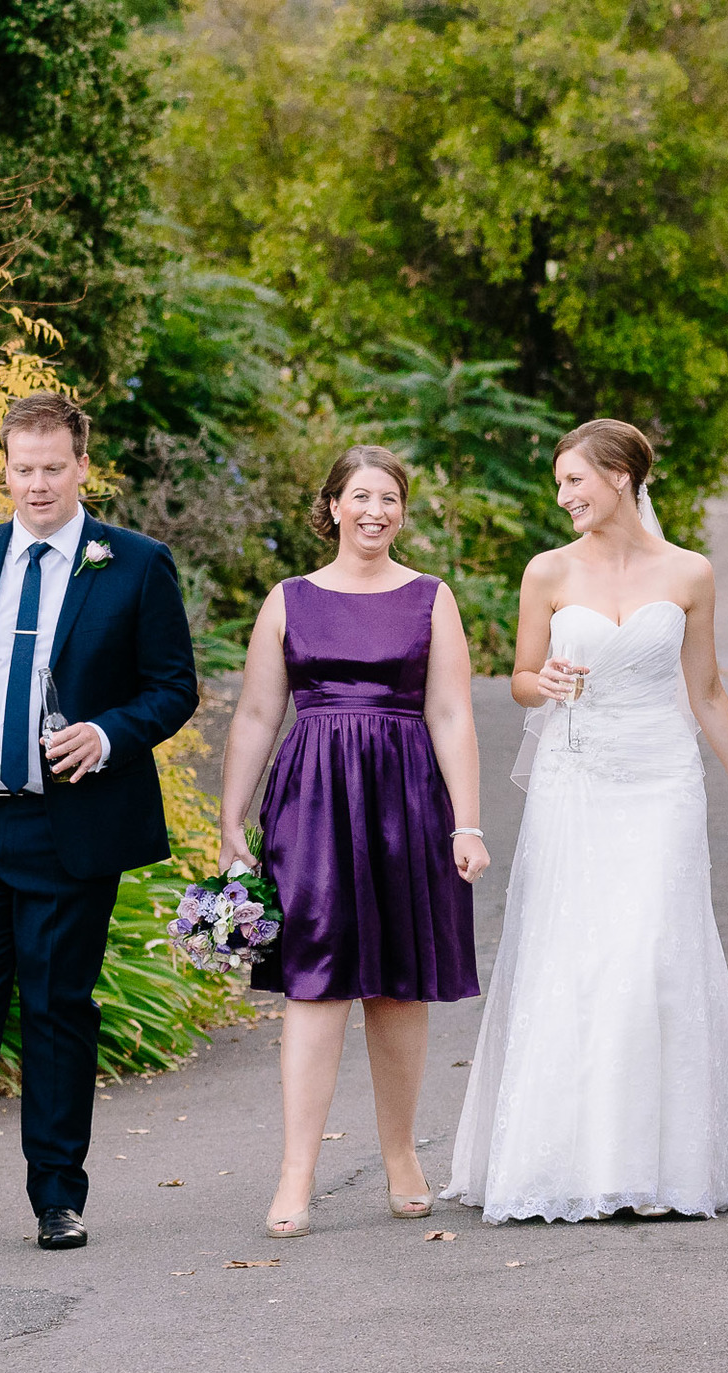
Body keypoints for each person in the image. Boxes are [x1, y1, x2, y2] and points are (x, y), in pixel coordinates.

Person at [443, 420, 728, 1223]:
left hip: (659, 781)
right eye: (560, 482)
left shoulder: (689, 573)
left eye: (575, 480)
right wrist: (550, 680)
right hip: (576, 782)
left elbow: (707, 690)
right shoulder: (546, 572)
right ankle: (569, 1163)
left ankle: (657, 1166)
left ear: (619, 477)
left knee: (650, 957)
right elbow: (520, 681)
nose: (563, 496)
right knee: (575, 959)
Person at [0, 392, 199, 1252]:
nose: (36, 485)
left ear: (82, 468)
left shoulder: (134, 564)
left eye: (52, 469)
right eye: (22, 469)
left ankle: (57, 1199)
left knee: (59, 1009)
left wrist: (108, 733)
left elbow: (175, 687)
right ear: (5, 467)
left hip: (70, 828)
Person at [220, 446, 487, 1239]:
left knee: (399, 985)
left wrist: (466, 822)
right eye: (360, 496)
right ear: (333, 505)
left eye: (390, 498)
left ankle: (402, 1155)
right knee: (315, 983)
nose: (375, 511)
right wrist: (233, 823)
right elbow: (260, 716)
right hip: (312, 803)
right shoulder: (289, 599)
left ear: (403, 511)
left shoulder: (431, 599)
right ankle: (296, 1171)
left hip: (407, 801)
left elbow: (451, 714)